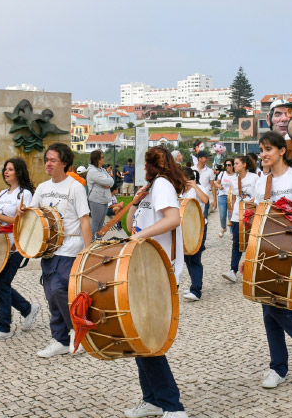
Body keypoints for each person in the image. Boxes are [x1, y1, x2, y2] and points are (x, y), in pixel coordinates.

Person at [242, 131, 292, 388]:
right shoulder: (260, 182)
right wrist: (246, 255)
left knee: (279, 308)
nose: (263, 154)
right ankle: (278, 368)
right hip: (264, 251)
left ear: (281, 151)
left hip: (291, 249)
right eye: (261, 150)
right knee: (268, 311)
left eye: (268, 149)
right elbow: (254, 222)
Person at [124, 146, 188, 418]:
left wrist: (139, 238)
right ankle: (151, 398)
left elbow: (173, 220)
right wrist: (136, 202)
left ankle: (172, 405)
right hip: (146, 267)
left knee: (147, 336)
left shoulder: (162, 185)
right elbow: (131, 226)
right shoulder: (151, 190)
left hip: (160, 269)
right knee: (139, 335)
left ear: (150, 165)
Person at [24, 143, 92, 358]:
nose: (48, 164)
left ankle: (77, 329)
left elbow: (84, 220)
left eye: (53, 160)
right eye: (47, 160)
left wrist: (87, 251)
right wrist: (23, 211)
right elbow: (33, 215)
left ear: (65, 163)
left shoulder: (76, 187)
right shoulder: (43, 188)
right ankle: (60, 339)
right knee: (50, 295)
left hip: (70, 247)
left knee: (58, 289)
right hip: (49, 249)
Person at [0, 158, 40, 342]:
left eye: (10, 169)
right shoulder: (2, 193)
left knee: (1, 283)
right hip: (0, 246)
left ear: (19, 172)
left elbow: (22, 221)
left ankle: (4, 326)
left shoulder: (25, 195)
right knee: (0, 283)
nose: (6, 172)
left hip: (15, 245)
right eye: (5, 169)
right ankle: (26, 309)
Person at [223, 155, 258, 283]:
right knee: (236, 243)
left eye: (237, 163)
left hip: (252, 214)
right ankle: (233, 270)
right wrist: (232, 214)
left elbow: (259, 194)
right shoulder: (234, 180)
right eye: (234, 163)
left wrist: (256, 201)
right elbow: (234, 197)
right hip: (238, 215)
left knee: (253, 243)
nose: (234, 166)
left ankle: (253, 269)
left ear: (244, 164)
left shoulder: (254, 177)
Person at [181, 167, 209, 302]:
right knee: (187, 258)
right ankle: (195, 284)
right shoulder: (181, 190)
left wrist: (194, 185)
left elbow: (205, 200)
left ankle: (196, 290)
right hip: (186, 228)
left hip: (198, 226)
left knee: (195, 258)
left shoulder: (198, 188)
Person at [87, 150, 115, 237]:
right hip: (96, 200)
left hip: (104, 200)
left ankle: (98, 241)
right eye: (102, 157)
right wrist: (109, 182)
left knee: (101, 223)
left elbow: (111, 181)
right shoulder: (92, 171)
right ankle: (91, 242)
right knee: (96, 222)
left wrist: (109, 183)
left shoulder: (102, 170)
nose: (103, 159)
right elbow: (106, 181)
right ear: (97, 159)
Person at [215, 159, 235, 238]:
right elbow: (216, 183)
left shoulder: (236, 175)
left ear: (233, 166)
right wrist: (219, 186)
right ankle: (223, 228)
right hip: (222, 196)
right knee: (222, 215)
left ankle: (232, 231)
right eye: (226, 165)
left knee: (231, 214)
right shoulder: (222, 174)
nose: (227, 167)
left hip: (232, 196)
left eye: (229, 165)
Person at [194, 150, 217, 215]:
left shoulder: (210, 171)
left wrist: (215, 200)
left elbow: (213, 186)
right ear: (199, 158)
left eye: (207, 157)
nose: (207, 159)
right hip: (193, 198)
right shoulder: (192, 169)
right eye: (205, 157)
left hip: (205, 199)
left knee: (204, 221)